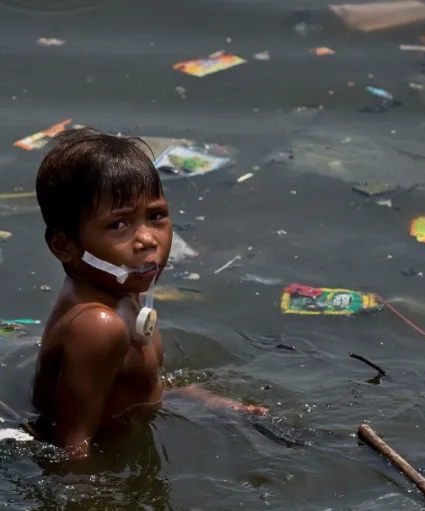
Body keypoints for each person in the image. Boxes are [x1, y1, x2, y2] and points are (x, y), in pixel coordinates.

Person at [32, 129, 264, 457]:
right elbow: (73, 447)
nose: (147, 240)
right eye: (118, 224)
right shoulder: (98, 325)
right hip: (110, 455)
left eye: (156, 217)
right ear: (63, 246)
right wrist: (89, 489)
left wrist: (205, 400)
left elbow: (133, 387)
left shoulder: (122, 289)